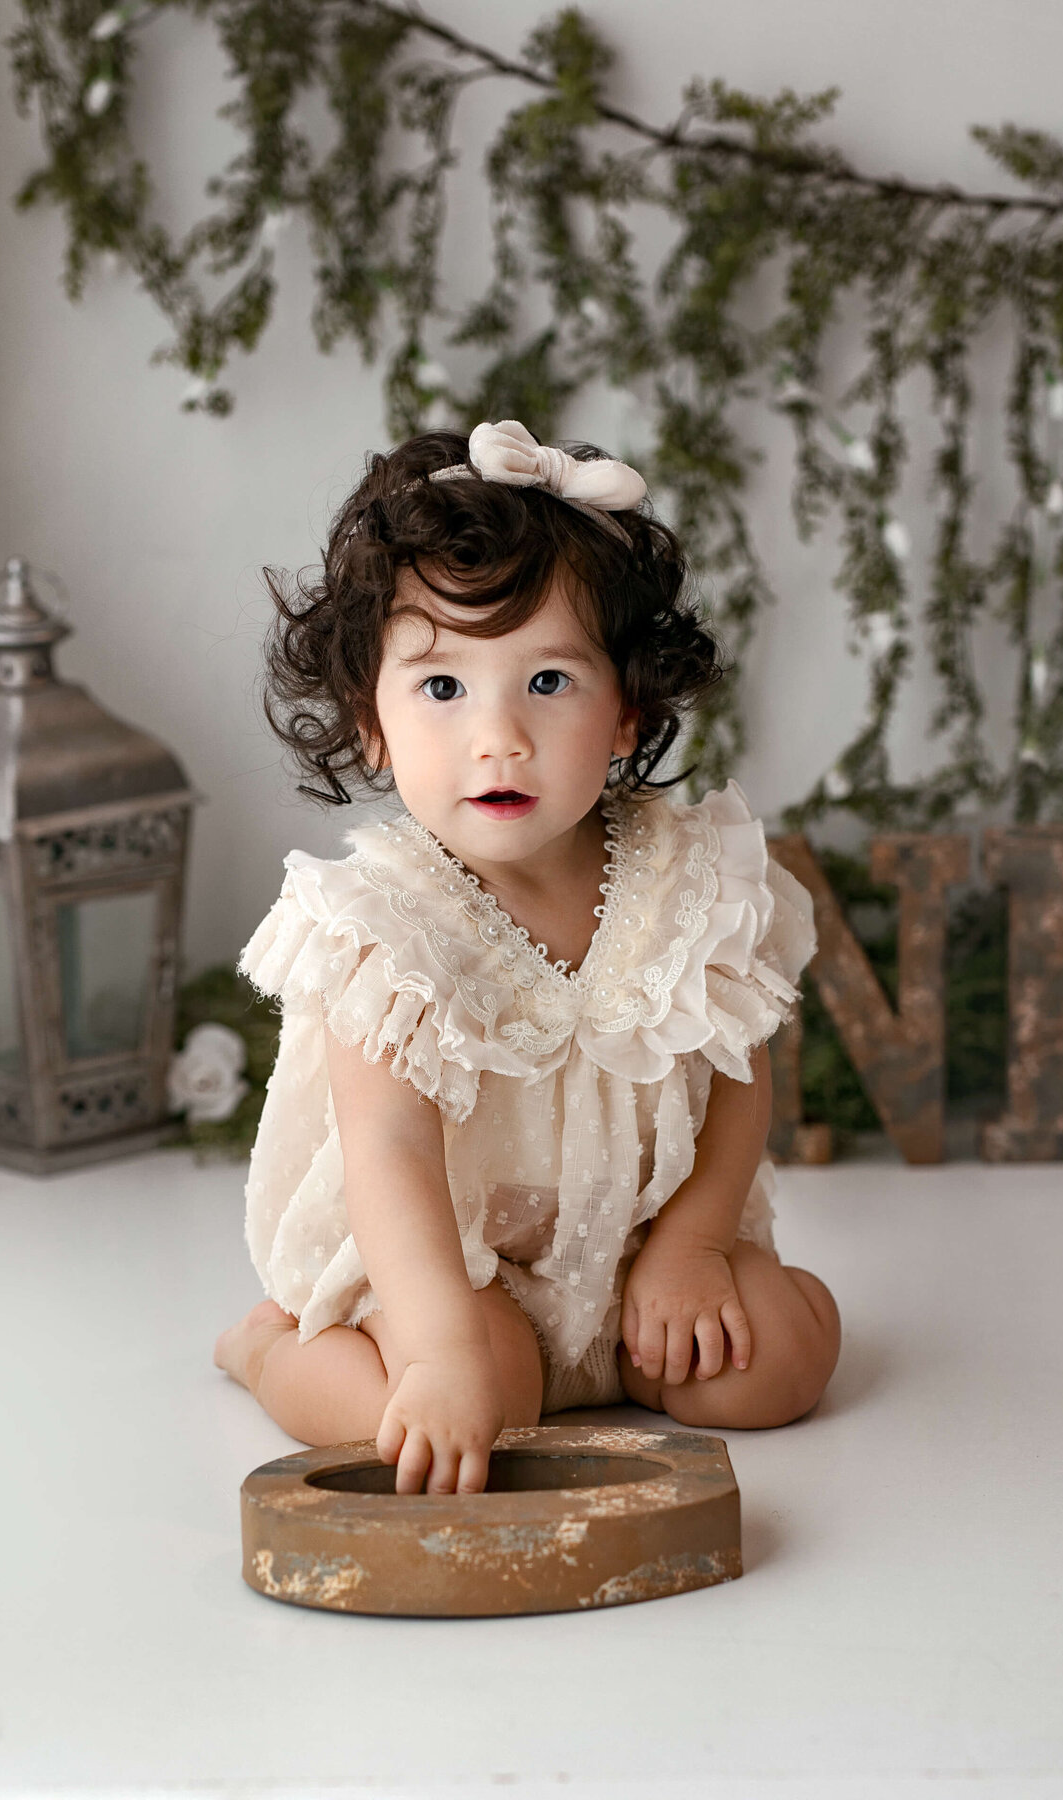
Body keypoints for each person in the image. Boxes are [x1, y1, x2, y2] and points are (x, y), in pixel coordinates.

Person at [214, 419, 841, 1495]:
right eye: (444, 688)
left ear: (624, 710)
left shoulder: (690, 881)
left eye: (548, 683)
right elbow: (391, 1159)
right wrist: (441, 1348)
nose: (497, 736)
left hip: (646, 1254)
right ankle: (274, 1350)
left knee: (774, 1369)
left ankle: (685, 1309)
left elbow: (737, 1081)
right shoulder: (385, 929)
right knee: (465, 1411)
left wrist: (692, 1248)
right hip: (452, 1276)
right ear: (371, 722)